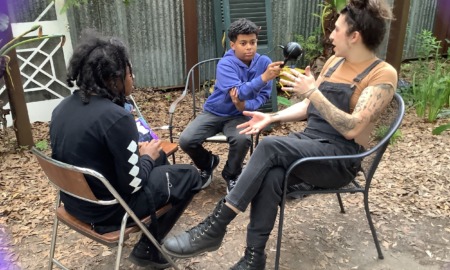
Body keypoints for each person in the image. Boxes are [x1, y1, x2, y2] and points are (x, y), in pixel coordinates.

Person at [162, 0, 397, 269]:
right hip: (311, 143)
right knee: (271, 174)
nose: (331, 35)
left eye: (337, 29)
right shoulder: (334, 62)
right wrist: (271, 116)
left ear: (354, 36)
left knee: (271, 147)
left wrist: (312, 92)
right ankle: (254, 258)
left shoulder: (382, 74)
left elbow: (353, 127)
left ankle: (216, 226)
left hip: (339, 158)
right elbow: (309, 107)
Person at [49, 30, 204, 269]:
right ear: (114, 79)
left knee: (160, 158)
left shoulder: (62, 108)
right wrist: (147, 157)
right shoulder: (116, 117)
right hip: (108, 213)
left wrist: (146, 157)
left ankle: (151, 233)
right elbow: (134, 184)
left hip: (74, 202)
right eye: (130, 72)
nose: (134, 78)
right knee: (190, 175)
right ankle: (148, 248)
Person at [178, 18, 283, 192]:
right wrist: (264, 78)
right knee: (187, 140)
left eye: (253, 42)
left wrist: (245, 106)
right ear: (233, 45)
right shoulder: (226, 64)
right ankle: (208, 163)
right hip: (215, 112)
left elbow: (264, 95)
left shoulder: (264, 63)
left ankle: (232, 174)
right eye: (243, 43)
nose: (249, 47)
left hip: (240, 115)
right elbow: (239, 92)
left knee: (242, 139)